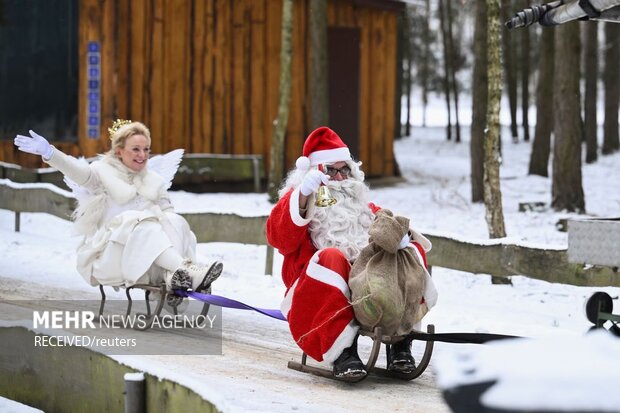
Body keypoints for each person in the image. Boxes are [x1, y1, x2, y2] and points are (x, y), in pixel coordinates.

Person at [266, 126, 437, 379]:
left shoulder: (362, 206)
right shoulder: (299, 200)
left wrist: (401, 237)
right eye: (329, 170)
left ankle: (400, 340)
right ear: (313, 173)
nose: (338, 178)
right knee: (332, 256)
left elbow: (387, 224)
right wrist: (302, 195)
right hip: (315, 288)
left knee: (410, 252)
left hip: (366, 282)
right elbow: (278, 238)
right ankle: (343, 352)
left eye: (343, 169)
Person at [13, 120, 223, 308]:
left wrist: (172, 223)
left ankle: (174, 277)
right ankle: (186, 271)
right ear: (119, 151)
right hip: (112, 254)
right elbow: (78, 171)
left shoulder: (153, 180)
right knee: (138, 221)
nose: (142, 155)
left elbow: (171, 221)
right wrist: (50, 153)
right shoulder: (101, 173)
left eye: (146, 149)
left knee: (175, 221)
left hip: (148, 257)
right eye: (136, 149)